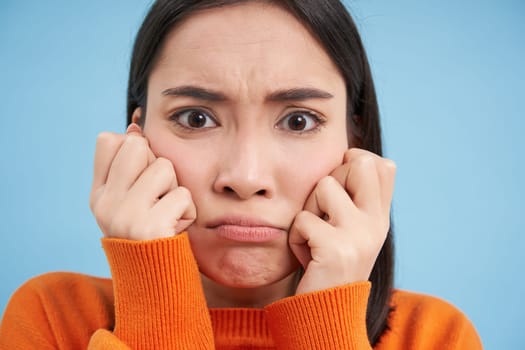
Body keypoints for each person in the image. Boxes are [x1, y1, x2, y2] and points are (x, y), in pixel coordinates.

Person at [0, 0, 482, 349]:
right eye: (195, 118)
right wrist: (155, 292)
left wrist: (327, 322)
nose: (246, 177)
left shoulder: (435, 336)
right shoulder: (52, 320)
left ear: (355, 142)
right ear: (136, 137)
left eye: (298, 121)